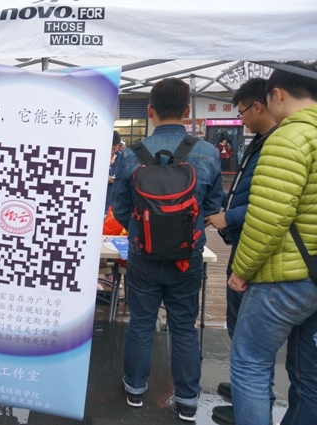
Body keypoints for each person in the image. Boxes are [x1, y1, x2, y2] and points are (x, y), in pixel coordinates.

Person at [112, 78, 223, 422]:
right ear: (187, 111)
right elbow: (212, 208)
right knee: (184, 328)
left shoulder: (131, 154)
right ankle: (188, 400)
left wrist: (143, 231)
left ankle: (135, 389)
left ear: (150, 110)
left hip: (142, 255)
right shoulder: (207, 152)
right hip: (186, 258)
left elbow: (120, 209)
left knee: (141, 324)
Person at [228, 61, 317, 425]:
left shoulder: (287, 138)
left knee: (249, 362)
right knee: (309, 375)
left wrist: (241, 271)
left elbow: (268, 218)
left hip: (282, 279)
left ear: (277, 94)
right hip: (314, 276)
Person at [204, 78, 277, 424]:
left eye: (242, 112)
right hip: (245, 244)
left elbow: (272, 205)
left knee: (252, 344)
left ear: (258, 106)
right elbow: (247, 193)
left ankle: (252, 402)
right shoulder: (260, 143)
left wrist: (229, 217)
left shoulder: (278, 145)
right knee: (241, 329)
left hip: (257, 253)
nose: (241, 119)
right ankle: (246, 390)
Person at [104, 130, 122, 214]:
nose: (113, 151)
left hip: (114, 196)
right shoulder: (99, 155)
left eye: (115, 149)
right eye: (111, 149)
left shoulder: (121, 157)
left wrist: (115, 179)